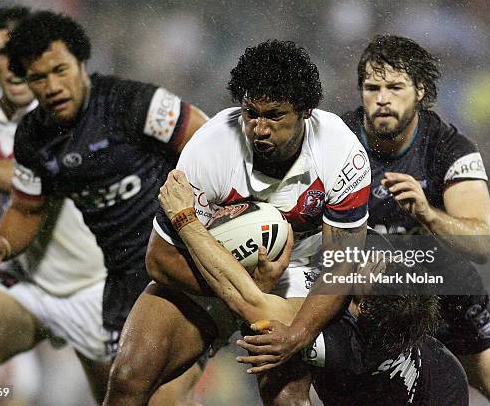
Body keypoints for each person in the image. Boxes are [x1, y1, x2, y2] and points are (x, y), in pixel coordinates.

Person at [240, 34, 490, 406]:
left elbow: (482, 243)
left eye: (395, 87)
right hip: (372, 311)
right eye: (372, 87)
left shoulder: (448, 148)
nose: (382, 98)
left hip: (448, 299)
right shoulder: (335, 143)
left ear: (420, 90)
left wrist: (428, 214)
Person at [104, 40, 371, 406]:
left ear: (306, 111)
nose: (259, 128)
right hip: (211, 269)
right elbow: (160, 259)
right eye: (251, 113)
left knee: (287, 397)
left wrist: (299, 333)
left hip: (299, 272)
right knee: (128, 377)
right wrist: (241, 286)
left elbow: (343, 264)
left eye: (275, 115)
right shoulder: (210, 150)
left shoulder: (341, 151)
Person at [0, 10, 208, 406]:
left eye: (60, 70)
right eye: (38, 77)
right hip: (125, 281)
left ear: (81, 62)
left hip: (186, 262)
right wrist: (3, 245)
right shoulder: (34, 139)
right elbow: (27, 209)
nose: (53, 86)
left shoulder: (134, 102)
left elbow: (208, 142)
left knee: (161, 397)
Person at [156, 169, 469, 406]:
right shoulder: (381, 263)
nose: (370, 259)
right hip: (444, 372)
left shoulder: (346, 345)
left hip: (427, 397)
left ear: (363, 306)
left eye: (372, 271)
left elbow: (247, 302)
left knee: (275, 360)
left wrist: (186, 220)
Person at [0, 6, 109, 405]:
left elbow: (30, 176)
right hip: (29, 281)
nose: (18, 61)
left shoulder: (62, 112)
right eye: (6, 52)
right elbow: (0, 158)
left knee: (127, 400)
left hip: (92, 287)